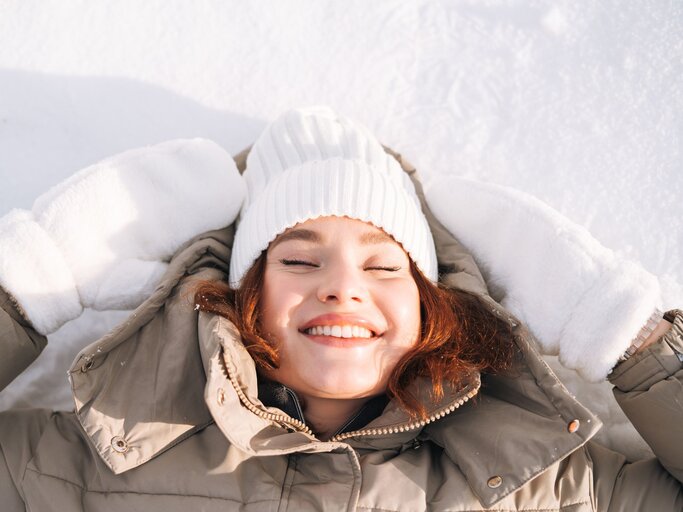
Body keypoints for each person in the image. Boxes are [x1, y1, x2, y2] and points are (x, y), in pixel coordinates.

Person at [0, 106, 680, 511]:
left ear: (432, 307)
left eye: (385, 266)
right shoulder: (92, 461)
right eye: (297, 260)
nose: (341, 286)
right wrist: (37, 275)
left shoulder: (539, 490)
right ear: (244, 301)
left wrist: (620, 325)